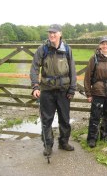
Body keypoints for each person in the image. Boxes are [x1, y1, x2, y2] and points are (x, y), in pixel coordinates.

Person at [30, 24, 77, 156]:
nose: (52, 35)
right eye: (50, 32)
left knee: (64, 119)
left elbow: (72, 70)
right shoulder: (42, 49)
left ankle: (63, 142)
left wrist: (72, 89)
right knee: (46, 120)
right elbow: (34, 68)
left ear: (60, 34)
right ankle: (48, 145)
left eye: (54, 33)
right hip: (47, 90)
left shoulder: (67, 49)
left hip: (63, 90)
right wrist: (35, 86)